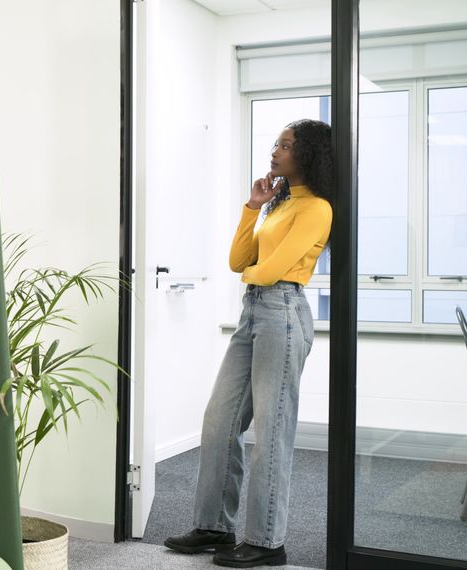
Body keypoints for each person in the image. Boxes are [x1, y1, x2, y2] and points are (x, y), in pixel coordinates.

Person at [164, 119, 333, 568]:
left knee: (272, 431)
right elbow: (240, 260)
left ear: (309, 155)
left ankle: (266, 541)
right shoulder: (277, 205)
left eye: (286, 145)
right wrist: (252, 206)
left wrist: (253, 273)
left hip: (282, 313)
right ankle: (214, 526)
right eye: (276, 143)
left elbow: (270, 269)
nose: (275, 151)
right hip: (253, 312)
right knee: (219, 420)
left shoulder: (316, 207)